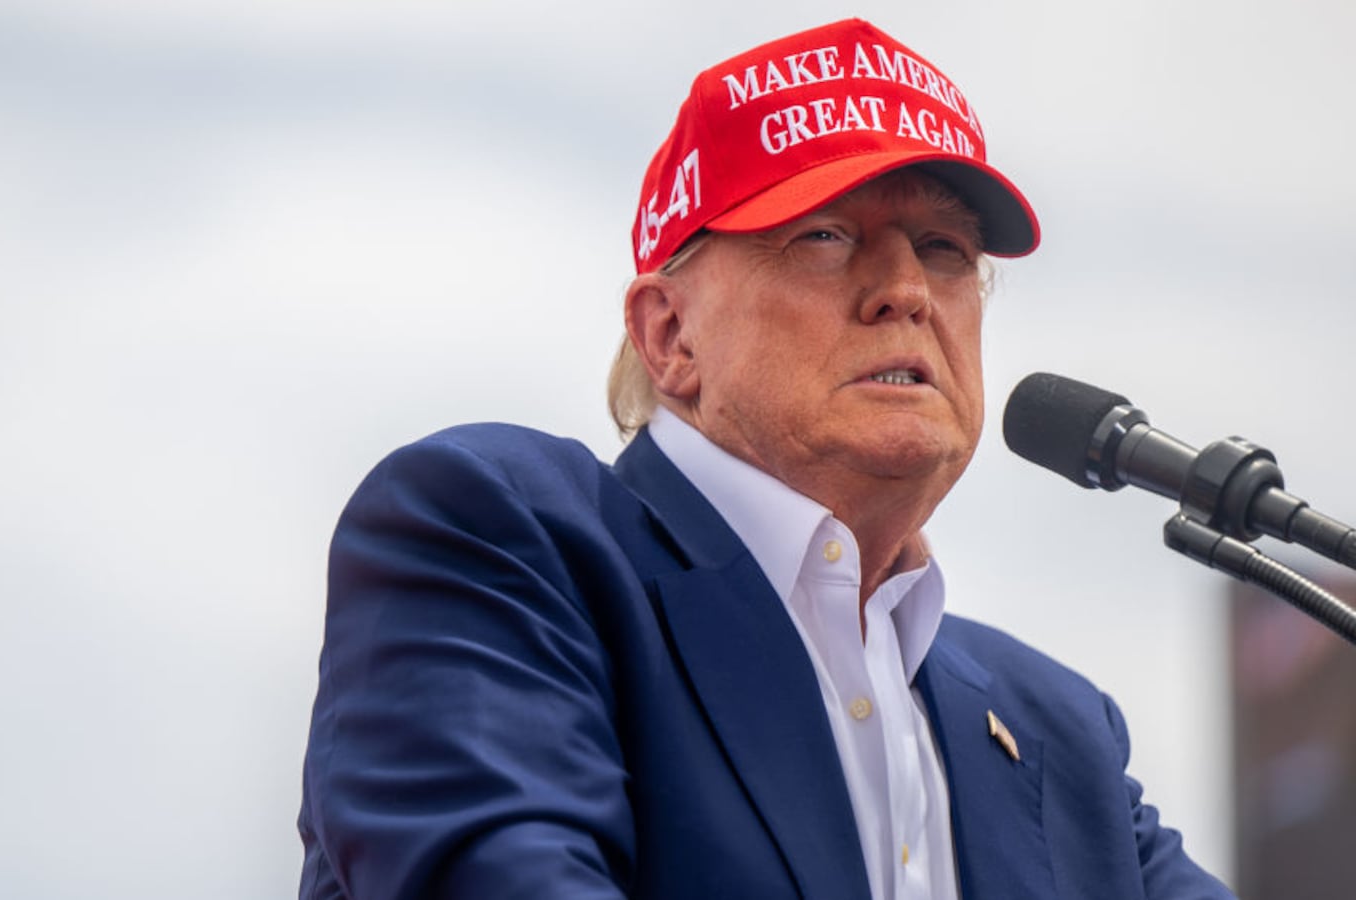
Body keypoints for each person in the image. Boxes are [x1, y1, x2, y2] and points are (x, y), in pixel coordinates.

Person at [297, 18, 1235, 899]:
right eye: (825, 236)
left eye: (944, 248)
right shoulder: (498, 541)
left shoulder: (1062, 730)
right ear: (670, 335)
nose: (905, 289)